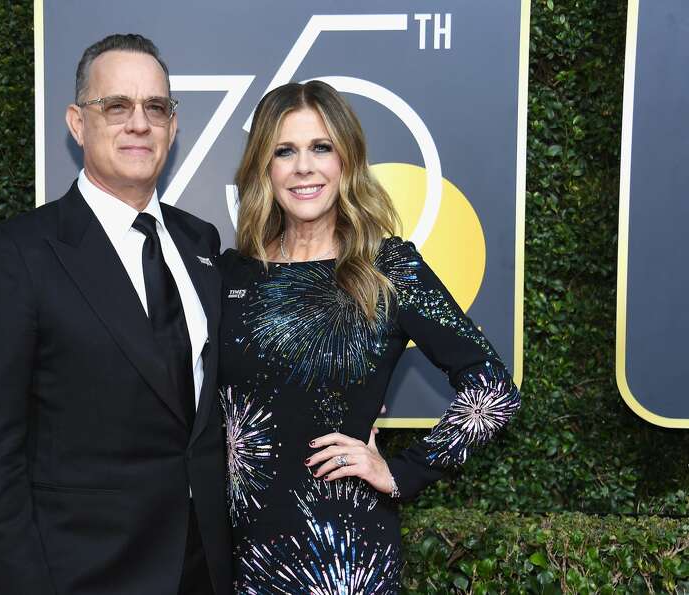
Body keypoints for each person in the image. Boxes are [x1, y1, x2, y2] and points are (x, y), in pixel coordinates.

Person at [218, 80, 521, 592]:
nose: (304, 167)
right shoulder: (233, 273)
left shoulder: (387, 269)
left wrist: (404, 473)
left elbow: (493, 391)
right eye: (284, 151)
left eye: (321, 148)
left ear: (347, 160)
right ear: (263, 168)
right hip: (236, 553)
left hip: (346, 553)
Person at [0, 34, 231, 594]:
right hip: (84, 574)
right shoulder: (17, 253)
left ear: (173, 129)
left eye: (156, 108)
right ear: (78, 124)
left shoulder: (201, 242)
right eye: (116, 107)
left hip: (206, 570)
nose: (139, 123)